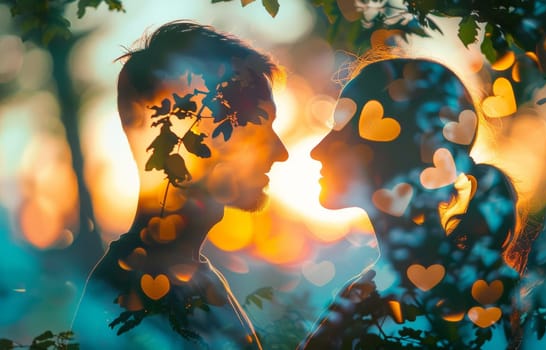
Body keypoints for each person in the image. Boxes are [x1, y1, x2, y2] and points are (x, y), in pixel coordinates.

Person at [72, 21, 288, 349]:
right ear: (188, 134)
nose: (280, 153)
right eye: (257, 124)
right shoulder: (133, 296)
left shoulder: (185, 275)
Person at [301, 58, 522, 348]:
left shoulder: (448, 303)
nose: (317, 151)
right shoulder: (377, 287)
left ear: (393, 154)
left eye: (342, 130)